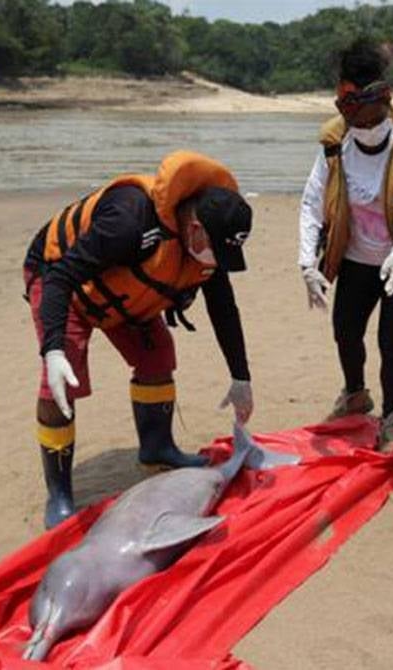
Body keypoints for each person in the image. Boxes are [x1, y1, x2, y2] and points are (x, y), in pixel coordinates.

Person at [23, 150, 255, 529]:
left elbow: (223, 308)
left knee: (158, 358)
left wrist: (240, 376)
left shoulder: (206, 241)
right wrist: (51, 349)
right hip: (61, 281)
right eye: (219, 250)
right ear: (195, 229)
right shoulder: (129, 222)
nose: (218, 262)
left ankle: (156, 448)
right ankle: (60, 493)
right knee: (60, 383)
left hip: (119, 294)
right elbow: (61, 277)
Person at [298, 38, 393, 451]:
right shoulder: (335, 145)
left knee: (391, 342)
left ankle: (391, 415)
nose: (358, 121)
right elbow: (312, 203)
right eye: (348, 111)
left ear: (383, 99)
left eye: (363, 111)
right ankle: (355, 393)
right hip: (358, 259)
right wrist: (306, 263)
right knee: (345, 331)